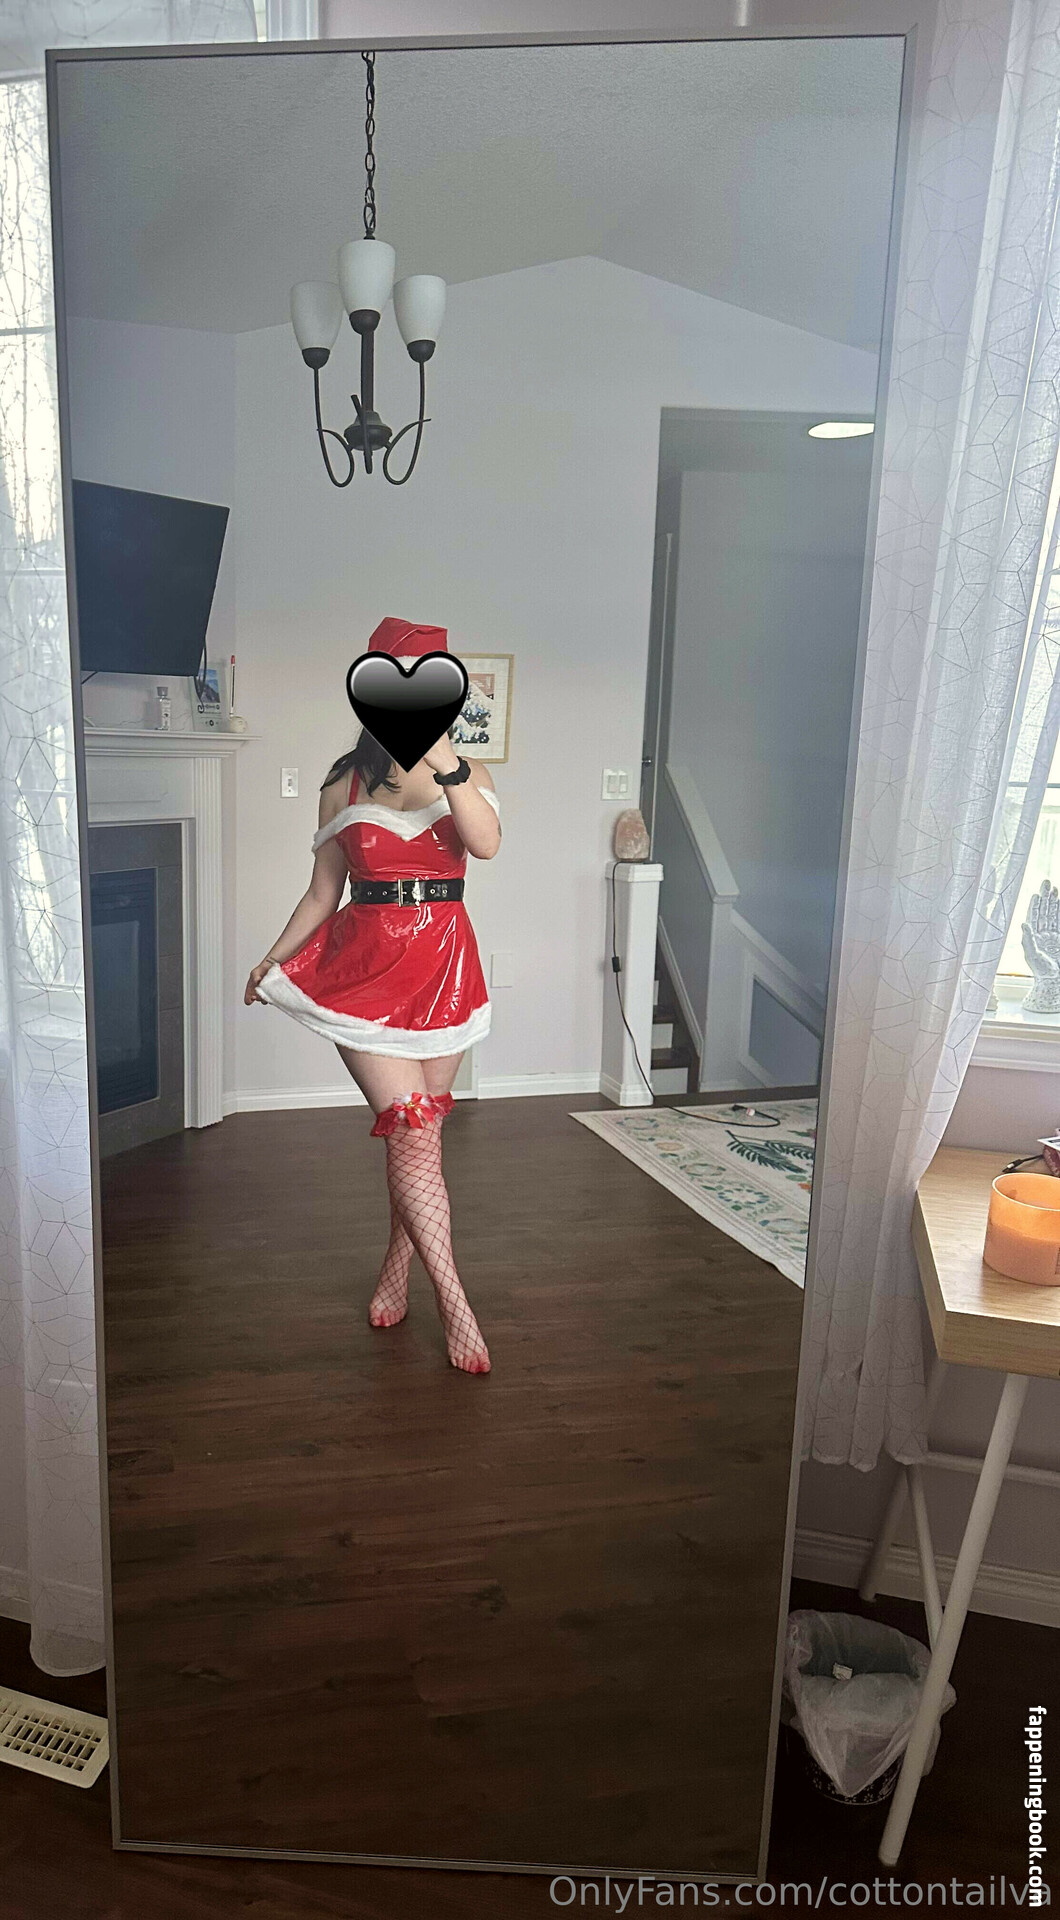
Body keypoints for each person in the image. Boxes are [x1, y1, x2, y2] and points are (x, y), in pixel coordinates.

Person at [246, 617, 500, 1374]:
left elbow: (485, 845)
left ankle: (396, 1269)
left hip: (444, 970)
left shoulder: (470, 775)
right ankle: (456, 1305)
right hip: (364, 973)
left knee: (419, 1140)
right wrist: (273, 958)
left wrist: (448, 762)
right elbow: (322, 893)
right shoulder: (343, 785)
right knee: (412, 1132)